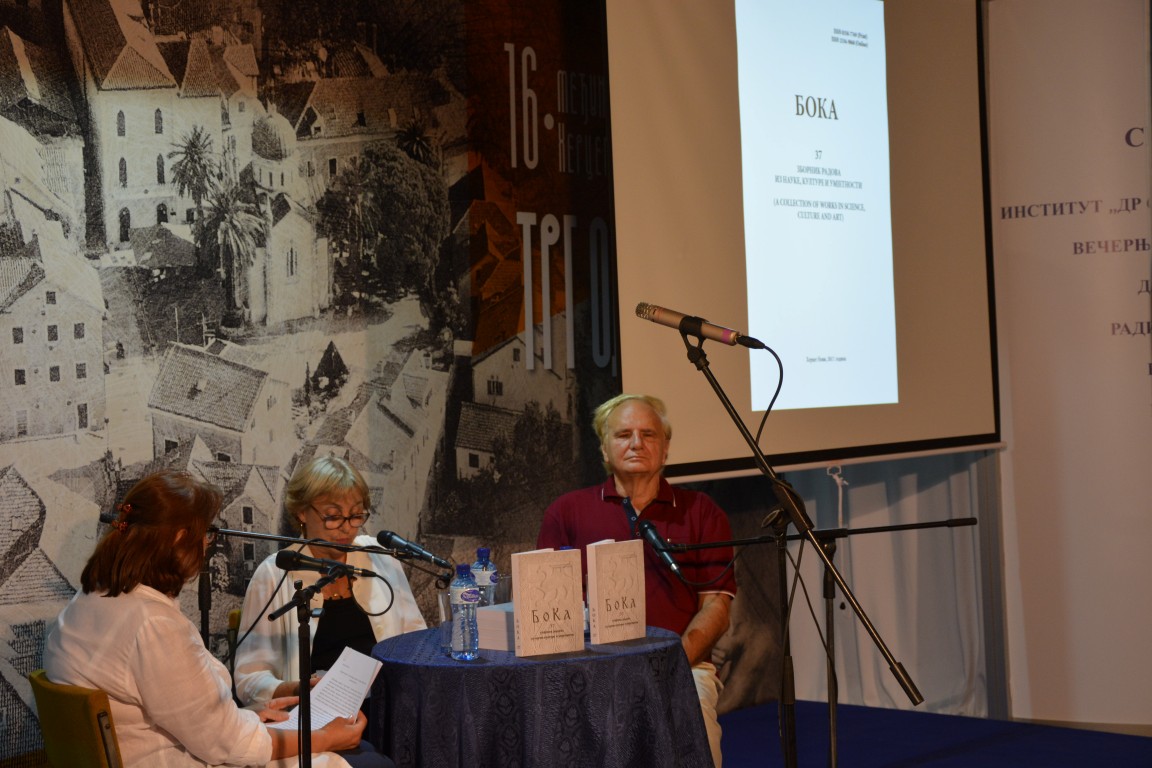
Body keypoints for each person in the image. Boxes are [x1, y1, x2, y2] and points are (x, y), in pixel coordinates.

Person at [43, 470, 384, 768]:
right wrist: (325, 737)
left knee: (362, 754)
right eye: (206, 533)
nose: (207, 545)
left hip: (167, 748)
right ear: (180, 539)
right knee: (369, 759)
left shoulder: (86, 603)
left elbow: (187, 715)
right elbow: (225, 744)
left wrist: (246, 717)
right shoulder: (152, 625)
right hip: (173, 759)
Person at [537, 394, 736, 767]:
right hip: (591, 671)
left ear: (666, 448)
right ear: (604, 448)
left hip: (683, 667)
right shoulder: (566, 512)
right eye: (623, 434)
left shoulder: (702, 512)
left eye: (648, 434)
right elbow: (547, 607)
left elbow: (716, 607)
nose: (636, 443)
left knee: (698, 740)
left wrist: (670, 664)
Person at [234, 455, 426, 710]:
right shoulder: (273, 575)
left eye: (356, 515)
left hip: (388, 707)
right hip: (316, 717)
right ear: (302, 512)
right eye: (333, 516)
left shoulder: (380, 558)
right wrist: (301, 689)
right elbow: (249, 679)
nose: (347, 528)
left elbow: (416, 640)